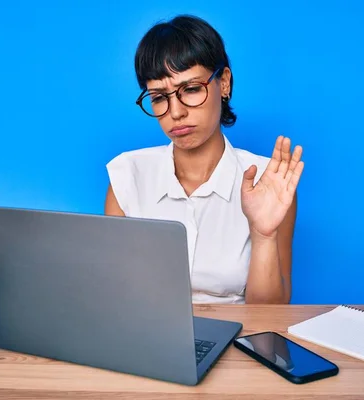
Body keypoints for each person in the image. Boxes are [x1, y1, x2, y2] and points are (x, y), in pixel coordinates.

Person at [104, 15, 304, 304]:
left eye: (191, 89)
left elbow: (270, 315)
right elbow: (116, 296)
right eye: (159, 97)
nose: (175, 112)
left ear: (223, 83)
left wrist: (263, 235)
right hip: (148, 341)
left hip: (239, 341)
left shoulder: (269, 182)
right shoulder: (128, 177)